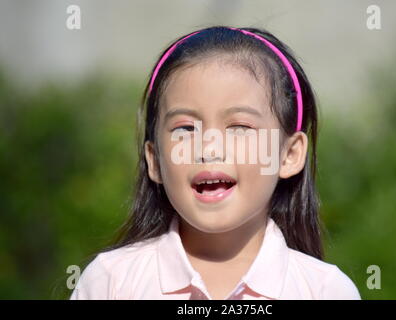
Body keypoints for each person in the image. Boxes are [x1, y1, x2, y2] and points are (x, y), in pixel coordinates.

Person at [70, 26, 361, 300]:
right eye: (185, 128)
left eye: (240, 127)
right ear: (154, 159)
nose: (210, 148)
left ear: (289, 155)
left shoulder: (324, 290)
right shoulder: (111, 283)